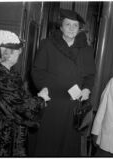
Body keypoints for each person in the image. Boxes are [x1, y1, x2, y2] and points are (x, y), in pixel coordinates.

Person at [0, 30, 51, 157]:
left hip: (9, 132)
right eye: (16, 50)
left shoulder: (7, 73)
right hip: (0, 137)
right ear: (6, 54)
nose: (19, 53)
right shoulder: (1, 77)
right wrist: (41, 99)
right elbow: (20, 106)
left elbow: (17, 99)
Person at [31, 9, 96, 156]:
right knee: (48, 142)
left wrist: (86, 89)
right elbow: (37, 71)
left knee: (67, 144)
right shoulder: (47, 44)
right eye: (68, 25)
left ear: (79, 29)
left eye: (75, 25)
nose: (72, 28)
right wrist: (44, 88)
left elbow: (90, 76)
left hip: (73, 104)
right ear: (61, 27)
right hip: (52, 102)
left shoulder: (86, 49)